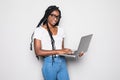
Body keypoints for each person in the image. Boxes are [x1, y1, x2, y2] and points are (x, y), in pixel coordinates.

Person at [31, 5, 84, 80]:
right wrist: (58, 51)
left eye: (57, 16)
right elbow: (38, 52)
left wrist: (74, 53)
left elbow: (61, 49)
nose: (55, 18)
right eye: (52, 15)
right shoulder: (39, 30)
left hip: (62, 62)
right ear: (47, 15)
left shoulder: (61, 30)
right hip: (50, 64)